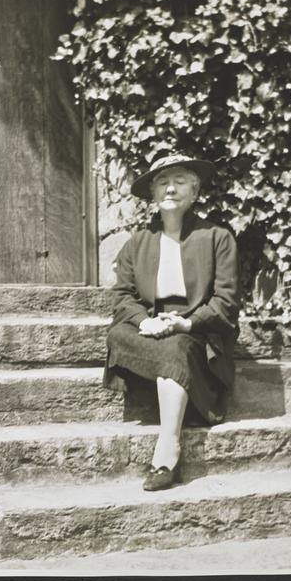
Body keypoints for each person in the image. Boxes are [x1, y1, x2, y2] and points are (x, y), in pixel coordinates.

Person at [104, 153, 240, 491]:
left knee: (177, 347)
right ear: (153, 193)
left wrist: (184, 324)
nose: (171, 188)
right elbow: (122, 298)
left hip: (198, 331)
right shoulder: (137, 243)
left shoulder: (217, 237)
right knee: (118, 334)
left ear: (194, 192)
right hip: (149, 328)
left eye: (180, 180)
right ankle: (179, 386)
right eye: (163, 181)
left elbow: (225, 304)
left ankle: (167, 450)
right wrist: (144, 322)